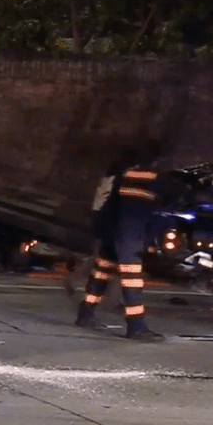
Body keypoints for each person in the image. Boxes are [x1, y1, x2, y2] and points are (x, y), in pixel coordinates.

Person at [75, 140, 166, 341]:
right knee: (132, 281)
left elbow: (111, 207)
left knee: (101, 274)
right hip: (130, 236)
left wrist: (102, 233)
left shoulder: (123, 176)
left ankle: (86, 314)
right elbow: (155, 211)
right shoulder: (153, 178)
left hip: (113, 232)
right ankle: (136, 327)